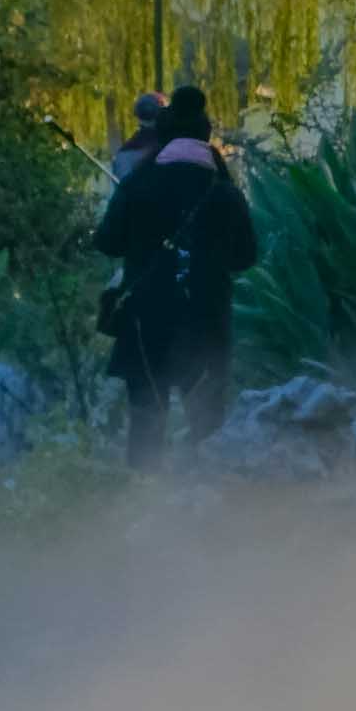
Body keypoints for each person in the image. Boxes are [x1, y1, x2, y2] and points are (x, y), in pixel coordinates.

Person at [95, 84, 259, 467]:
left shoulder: (138, 183)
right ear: (206, 135)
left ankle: (141, 508)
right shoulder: (224, 192)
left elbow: (107, 242)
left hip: (145, 322)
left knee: (146, 426)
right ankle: (206, 510)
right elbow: (245, 257)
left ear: (163, 133)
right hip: (205, 324)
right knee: (208, 432)